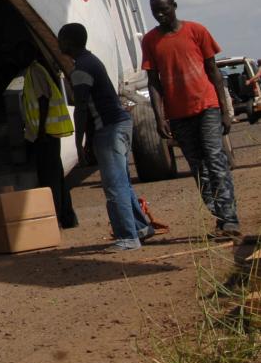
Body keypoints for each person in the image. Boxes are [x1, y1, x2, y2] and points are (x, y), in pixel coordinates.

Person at [142, 0, 240, 241]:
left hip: (207, 106)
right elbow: (153, 82)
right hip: (178, 115)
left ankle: (230, 219)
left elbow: (213, 71)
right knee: (199, 168)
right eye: (155, 12)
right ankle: (219, 216)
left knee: (215, 160)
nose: (160, 15)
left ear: (174, 6)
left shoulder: (197, 31)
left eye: (164, 10)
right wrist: (159, 117)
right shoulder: (151, 41)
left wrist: (225, 110)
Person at [57, 23, 155, 250]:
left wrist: (79, 143)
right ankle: (140, 228)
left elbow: (82, 109)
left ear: (69, 42)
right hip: (119, 124)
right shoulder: (91, 61)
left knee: (114, 186)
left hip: (110, 129)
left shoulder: (81, 69)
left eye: (61, 39)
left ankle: (127, 238)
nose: (59, 43)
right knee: (122, 183)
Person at [11, 44, 78, 229]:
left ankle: (55, 218)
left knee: (49, 179)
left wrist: (40, 132)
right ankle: (67, 217)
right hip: (48, 133)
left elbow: (43, 100)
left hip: (46, 134)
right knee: (57, 176)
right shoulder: (35, 71)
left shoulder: (35, 72)